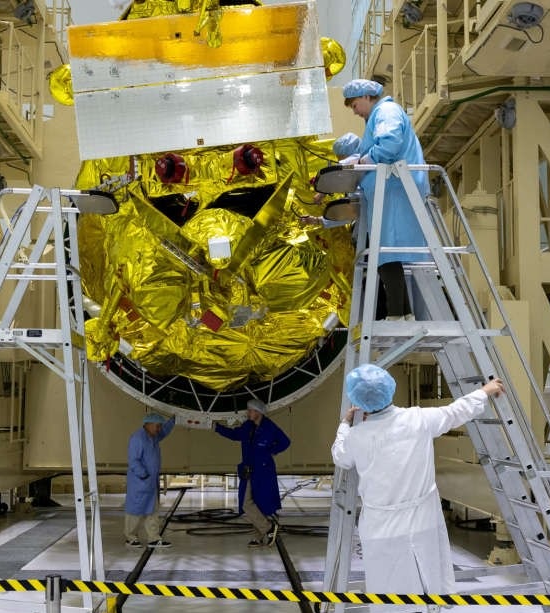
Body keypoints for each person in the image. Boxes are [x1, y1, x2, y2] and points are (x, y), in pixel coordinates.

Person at [330, 364, 504, 611]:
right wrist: (485, 391)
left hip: (381, 528)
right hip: (423, 522)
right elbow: (456, 411)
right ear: (390, 389)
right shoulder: (417, 419)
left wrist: (345, 424)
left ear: (357, 400)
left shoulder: (357, 436)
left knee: (390, 595)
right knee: (428, 584)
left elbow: (340, 456)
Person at [341, 78, 430, 320]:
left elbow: (389, 145)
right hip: (391, 190)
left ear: (367, 96)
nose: (355, 111)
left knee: (386, 252)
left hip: (395, 189)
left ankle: (397, 314)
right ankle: (402, 313)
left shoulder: (386, 111)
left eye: (355, 105)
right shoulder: (379, 115)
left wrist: (362, 162)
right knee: (387, 253)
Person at [213, 398, 291, 548]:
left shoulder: (269, 427)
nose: (247, 413)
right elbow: (235, 435)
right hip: (249, 470)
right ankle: (267, 529)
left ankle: (261, 534)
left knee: (258, 503)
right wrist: (217, 428)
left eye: (250, 410)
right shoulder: (248, 426)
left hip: (263, 471)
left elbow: (285, 442)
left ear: (258, 412)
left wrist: (271, 451)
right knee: (247, 503)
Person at [125, 413, 176, 549]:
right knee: (136, 510)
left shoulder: (153, 436)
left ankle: (153, 538)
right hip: (140, 482)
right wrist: (144, 475)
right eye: (157, 426)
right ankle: (130, 538)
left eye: (160, 426)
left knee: (152, 510)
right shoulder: (138, 438)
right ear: (148, 424)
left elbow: (164, 432)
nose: (159, 429)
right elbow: (133, 461)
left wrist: (174, 420)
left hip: (150, 482)